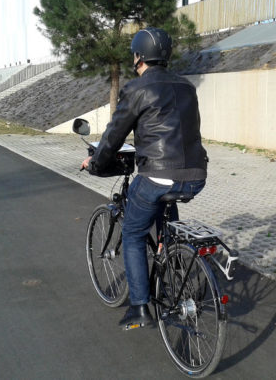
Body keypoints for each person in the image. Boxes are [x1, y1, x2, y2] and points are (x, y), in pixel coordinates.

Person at [81, 27, 208, 329]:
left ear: (138, 55)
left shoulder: (137, 88)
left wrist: (96, 163)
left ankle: (139, 307)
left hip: (159, 174)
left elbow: (114, 135)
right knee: (166, 214)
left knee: (134, 235)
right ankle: (170, 254)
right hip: (196, 175)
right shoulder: (187, 86)